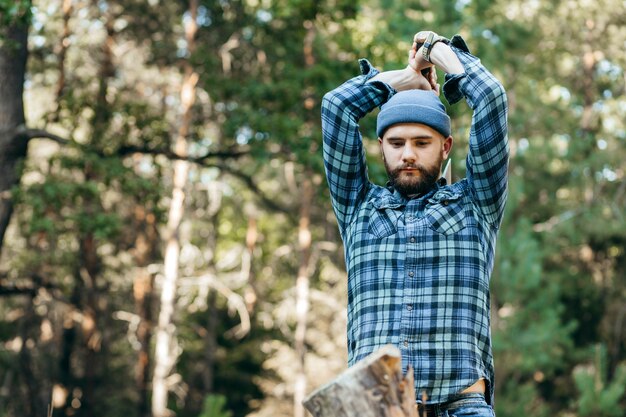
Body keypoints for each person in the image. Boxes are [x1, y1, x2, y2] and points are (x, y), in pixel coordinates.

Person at [321, 30, 508, 417]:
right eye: (396, 142)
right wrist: (405, 78)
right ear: (381, 147)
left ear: (445, 147)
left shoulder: (476, 205)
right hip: (374, 407)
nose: (408, 154)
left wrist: (436, 51)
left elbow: (490, 97)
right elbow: (336, 107)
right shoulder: (358, 207)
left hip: (462, 406)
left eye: (422, 142)